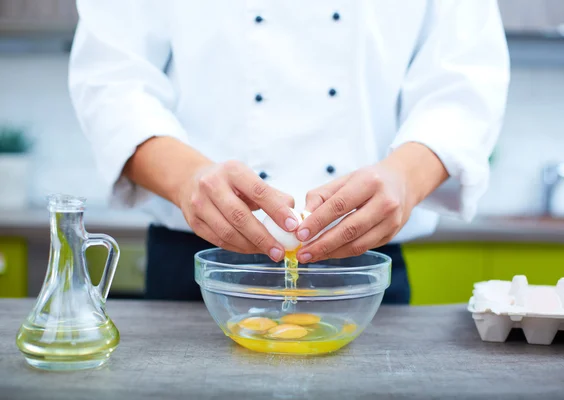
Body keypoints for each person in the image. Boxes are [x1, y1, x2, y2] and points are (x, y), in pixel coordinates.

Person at [69, 1, 509, 303]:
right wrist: (186, 179)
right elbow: (112, 78)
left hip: (362, 268)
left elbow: (466, 79)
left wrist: (407, 177)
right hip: (197, 265)